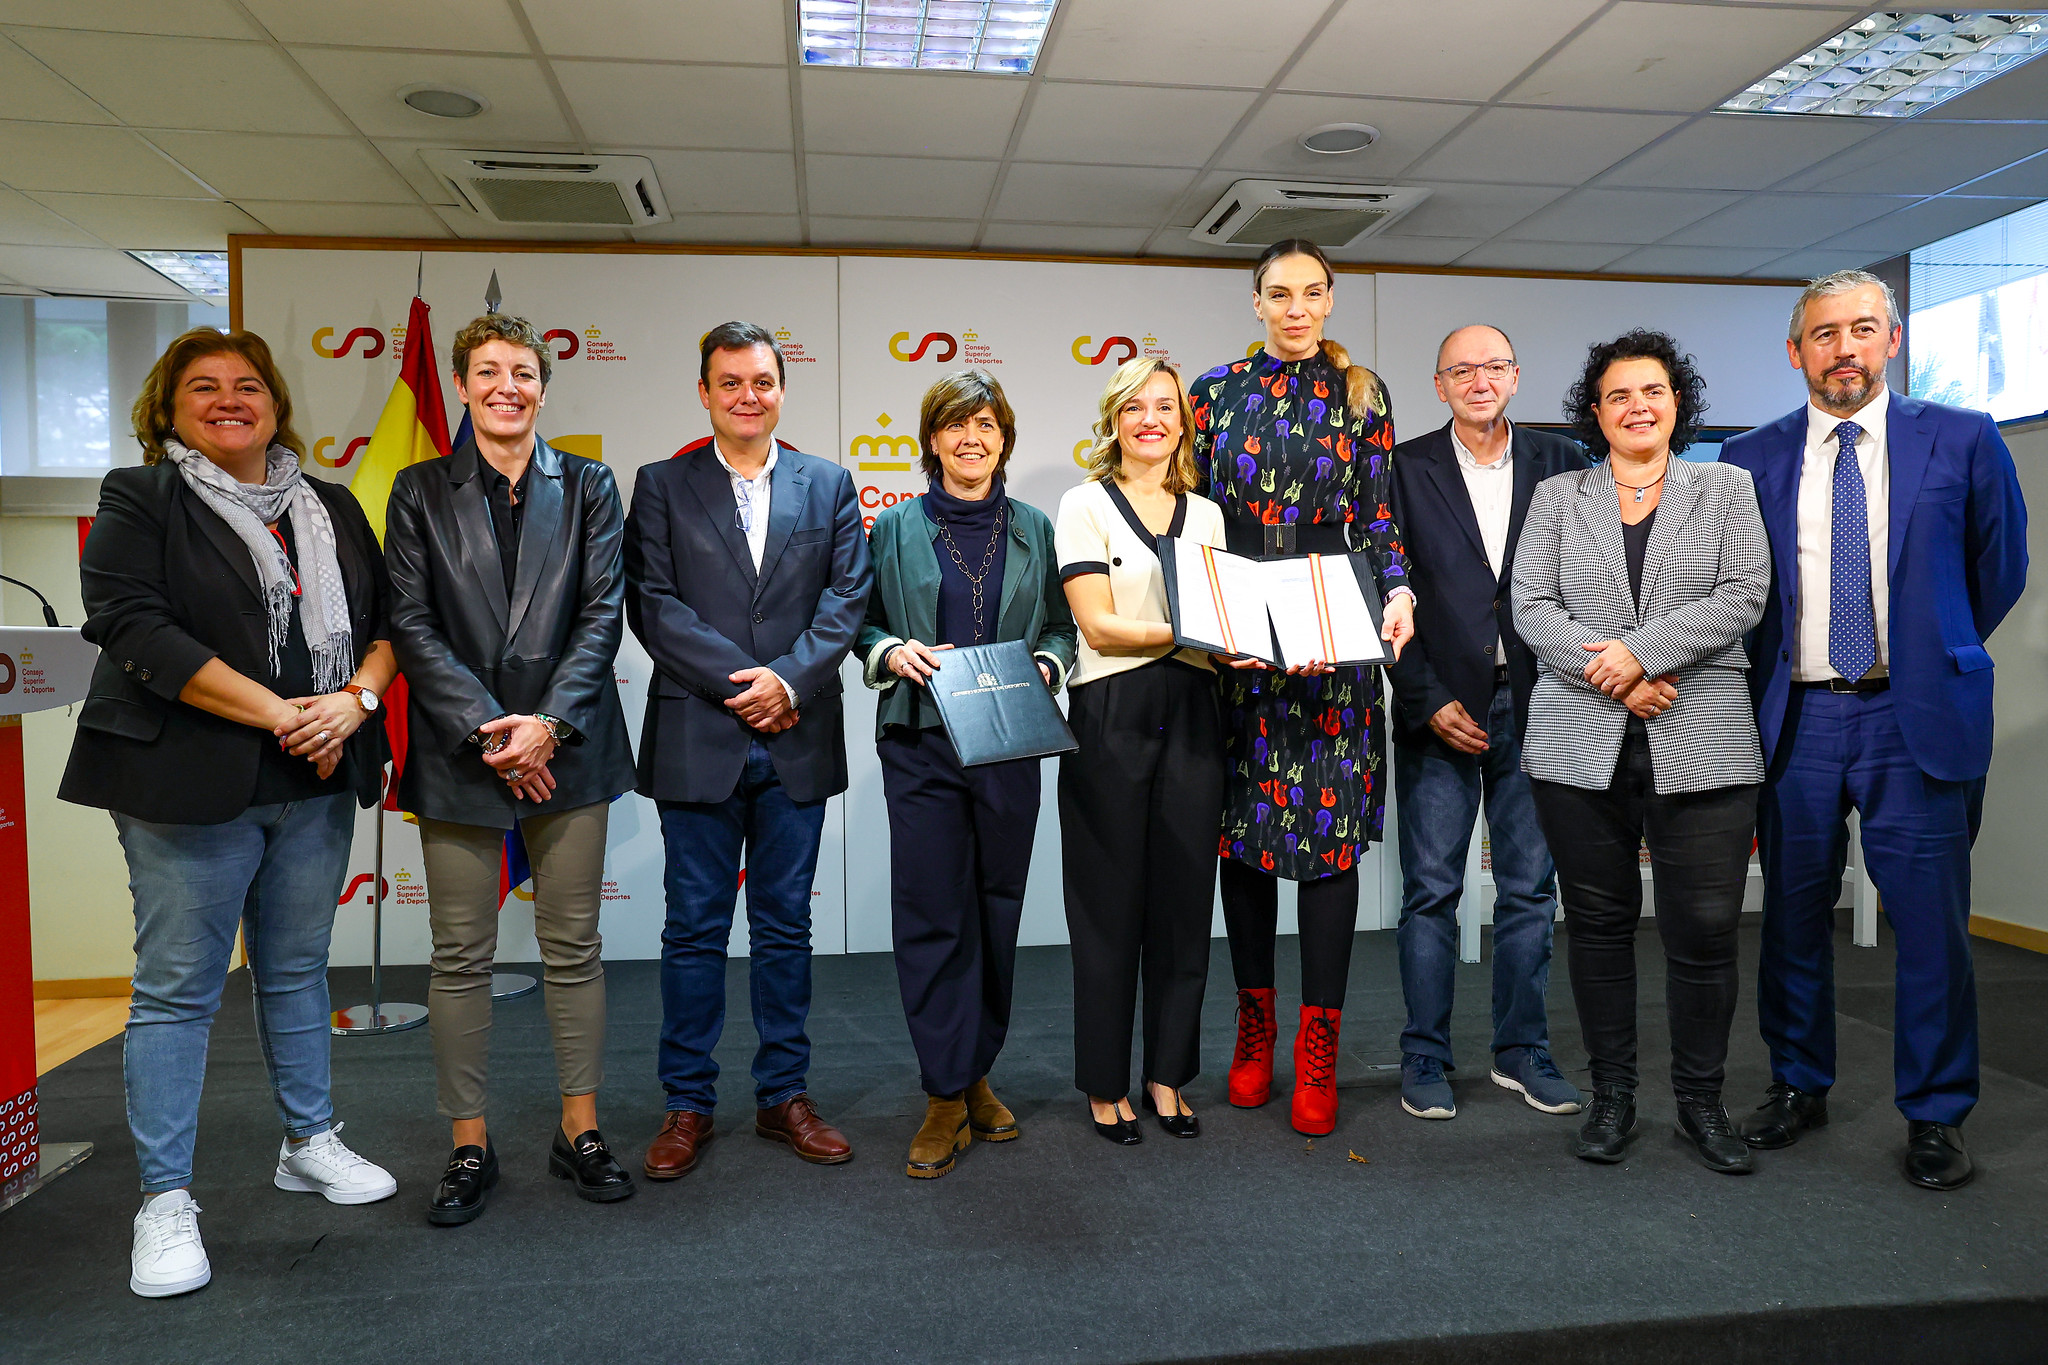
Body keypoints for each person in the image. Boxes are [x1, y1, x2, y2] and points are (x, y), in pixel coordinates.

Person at [63, 328, 399, 1298]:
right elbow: (132, 627)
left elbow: (381, 628)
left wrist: (354, 704)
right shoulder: (143, 498)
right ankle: (164, 1201)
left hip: (315, 780)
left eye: (246, 385)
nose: (227, 399)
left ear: (275, 403)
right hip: (188, 788)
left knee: (296, 973)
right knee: (178, 992)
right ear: (167, 409)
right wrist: (282, 712)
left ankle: (308, 1142)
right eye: (201, 387)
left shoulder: (329, 505)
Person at [1720, 270, 2027, 1191]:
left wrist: (1932, 652)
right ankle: (1797, 1082)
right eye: (1824, 334)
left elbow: (1998, 569)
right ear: (1796, 351)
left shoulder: (1964, 438)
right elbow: (1743, 593)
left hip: (1915, 713)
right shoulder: (1747, 456)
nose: (1843, 348)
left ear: (1892, 340)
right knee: (1792, 918)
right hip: (1799, 715)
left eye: (1862, 330)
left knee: (1931, 927)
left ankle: (1935, 1113)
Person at [385, 313, 640, 1224]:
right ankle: (469, 1145)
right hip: (464, 757)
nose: (507, 386)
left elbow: (603, 613)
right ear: (460, 386)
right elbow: (410, 624)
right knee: (459, 957)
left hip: (569, 748)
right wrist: (496, 732)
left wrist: (547, 726)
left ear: (543, 386)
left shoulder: (592, 487)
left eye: (523, 372)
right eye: (488, 371)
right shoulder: (417, 490)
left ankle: (580, 1131)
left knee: (573, 950)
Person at [1514, 329, 1770, 1174]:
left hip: (1704, 733)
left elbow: (1744, 594)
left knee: (1703, 929)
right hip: (1577, 744)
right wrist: (1616, 675)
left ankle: (1701, 1101)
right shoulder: (1558, 498)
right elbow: (1531, 605)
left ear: (1676, 403)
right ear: (1596, 412)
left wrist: (1641, 654)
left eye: (1652, 391)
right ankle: (1613, 1095)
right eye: (1618, 394)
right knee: (1597, 925)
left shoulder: (1726, 486)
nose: (1637, 406)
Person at [625, 321, 871, 1181]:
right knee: (692, 931)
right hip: (702, 733)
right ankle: (687, 1102)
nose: (747, 395)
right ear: (704, 391)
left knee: (784, 927)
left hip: (796, 737)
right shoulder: (661, 485)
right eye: (729, 382)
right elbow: (653, 604)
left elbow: (846, 600)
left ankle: (783, 1097)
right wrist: (748, 682)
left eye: (762, 381)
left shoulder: (830, 484)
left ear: (779, 388)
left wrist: (789, 682)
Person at [1188, 238, 1415, 1137]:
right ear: (1255, 303)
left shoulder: (1362, 394)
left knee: (1329, 843)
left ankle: (1319, 1042)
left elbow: (1379, 510)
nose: (1295, 308)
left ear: (1329, 302)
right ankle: (1255, 1026)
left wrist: (1395, 590)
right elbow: (1197, 520)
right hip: (1244, 636)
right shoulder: (1211, 394)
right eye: (1279, 293)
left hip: (1335, 628)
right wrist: (1209, 621)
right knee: (1242, 838)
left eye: (1312, 293)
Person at [858, 369, 1077, 1176]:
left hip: (1009, 742)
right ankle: (943, 1094)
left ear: (1004, 438)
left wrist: (1049, 668)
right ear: (932, 439)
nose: (971, 438)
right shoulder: (894, 528)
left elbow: (1060, 626)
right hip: (921, 742)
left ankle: (977, 1070)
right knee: (931, 913)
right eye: (955, 425)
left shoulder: (1035, 528)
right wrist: (889, 651)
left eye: (985, 424)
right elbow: (863, 621)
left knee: (995, 910)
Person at [1386, 324, 1589, 1122]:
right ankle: (1424, 1057)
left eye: (1494, 366)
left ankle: (1521, 1051)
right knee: (1432, 888)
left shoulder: (1562, 462)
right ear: (1439, 385)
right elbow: (1382, 587)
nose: (1479, 380)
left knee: (1530, 889)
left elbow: (1586, 580)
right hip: (1441, 702)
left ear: (1514, 377)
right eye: (1461, 369)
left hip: (1540, 700)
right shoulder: (1402, 468)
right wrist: (1424, 695)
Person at [1056, 358, 1228, 1143]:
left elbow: (1224, 628)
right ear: (1114, 419)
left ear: (1184, 421)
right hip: (1110, 713)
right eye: (1135, 407)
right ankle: (1103, 1083)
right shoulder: (1082, 503)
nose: (1150, 419)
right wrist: (1199, 637)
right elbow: (1096, 626)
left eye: (1165, 406)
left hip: (1195, 710)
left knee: (1186, 904)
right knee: (1106, 907)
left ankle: (1167, 1076)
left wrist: (1237, 643)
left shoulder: (1209, 517)